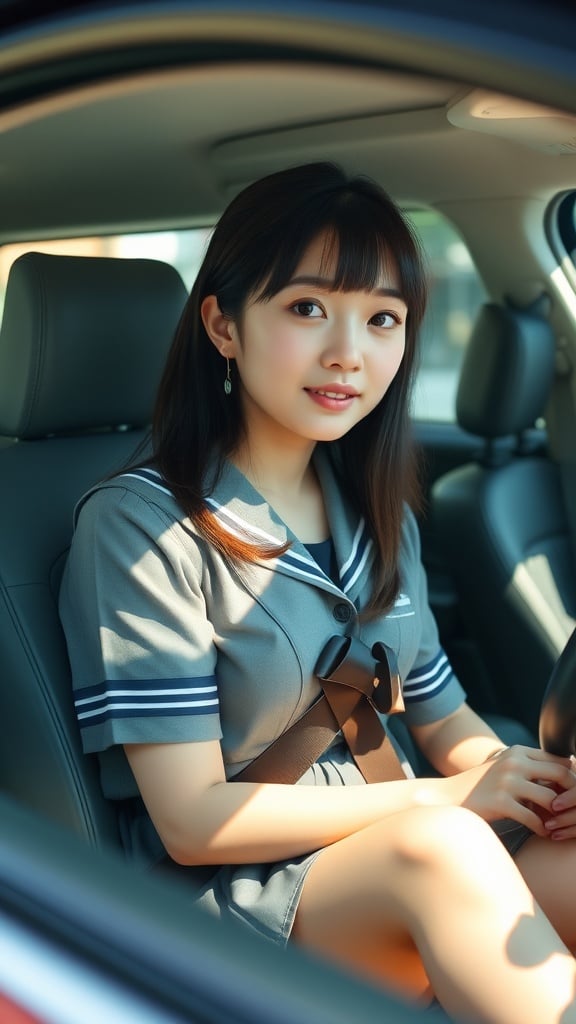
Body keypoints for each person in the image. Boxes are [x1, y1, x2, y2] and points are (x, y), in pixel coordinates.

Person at [59, 162, 576, 1024]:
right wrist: (449, 800)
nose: (349, 353)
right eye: (308, 309)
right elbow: (193, 822)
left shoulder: (379, 515)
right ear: (223, 325)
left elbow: (443, 721)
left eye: (383, 319)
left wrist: (520, 782)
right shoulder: (141, 526)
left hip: (395, 852)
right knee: (440, 849)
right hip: (229, 896)